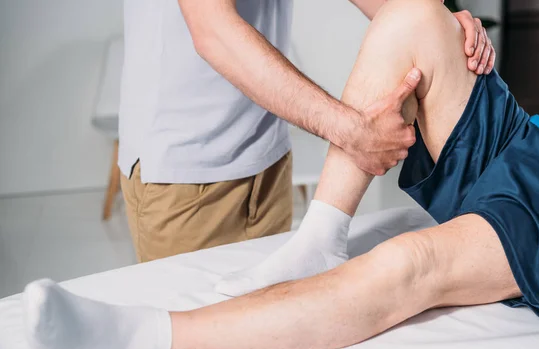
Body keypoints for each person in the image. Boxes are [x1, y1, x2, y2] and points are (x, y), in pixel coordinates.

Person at [22, 0, 539, 349]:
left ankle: (138, 335)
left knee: (410, 259)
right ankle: (322, 233)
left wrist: (455, 28)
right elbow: (214, 33)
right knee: (414, 14)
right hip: (538, 142)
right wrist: (443, 27)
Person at [118, 0, 494, 262]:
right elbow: (213, 30)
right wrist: (350, 129)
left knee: (269, 326)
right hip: (186, 171)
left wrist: (437, 25)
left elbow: (390, 8)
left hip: (266, 157)